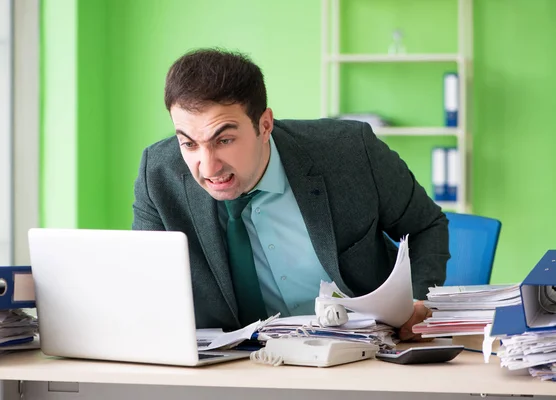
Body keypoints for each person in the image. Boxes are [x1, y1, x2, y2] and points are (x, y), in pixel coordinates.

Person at [132, 48, 450, 340]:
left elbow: (426, 226)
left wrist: (418, 301)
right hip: (238, 367)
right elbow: (148, 286)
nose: (209, 166)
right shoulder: (158, 176)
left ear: (265, 124)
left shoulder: (350, 151)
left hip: (363, 351)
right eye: (189, 143)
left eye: (224, 140)